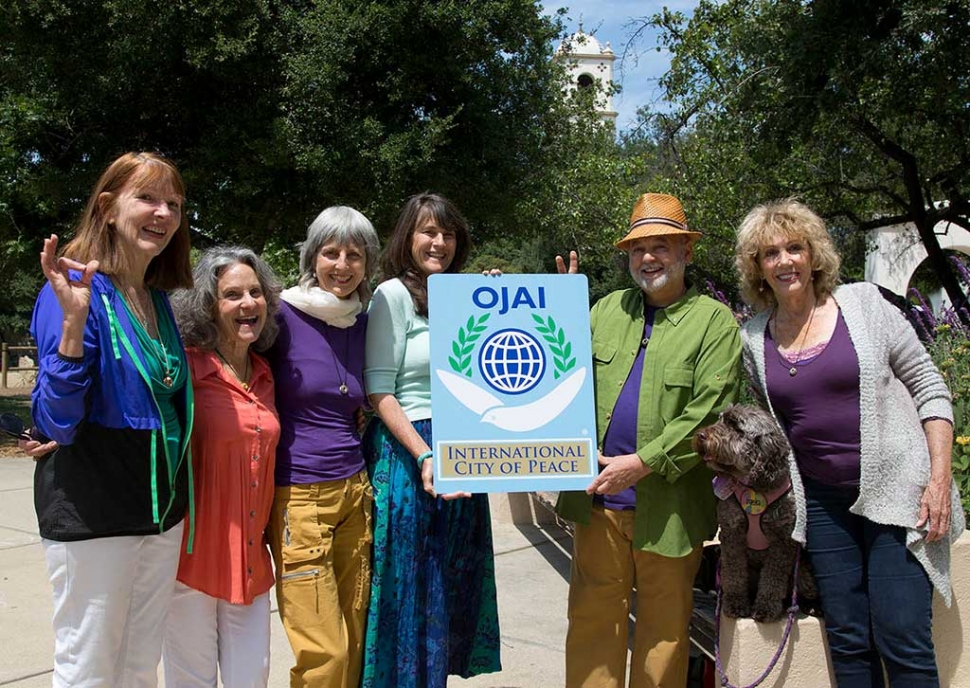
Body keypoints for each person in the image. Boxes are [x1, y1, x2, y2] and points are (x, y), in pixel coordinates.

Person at [734, 199, 965, 687]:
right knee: (847, 637)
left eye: (794, 248)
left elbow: (931, 387)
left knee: (902, 633)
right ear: (756, 267)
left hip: (898, 493)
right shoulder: (754, 338)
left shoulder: (864, 304)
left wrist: (939, 480)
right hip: (822, 506)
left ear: (813, 254)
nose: (784, 261)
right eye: (769, 253)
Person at [556, 192, 742, 688]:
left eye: (661, 245)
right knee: (592, 628)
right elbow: (552, 370)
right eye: (638, 249)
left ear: (686, 252)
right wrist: (552, 306)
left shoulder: (714, 321)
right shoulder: (603, 310)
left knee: (664, 638)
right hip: (597, 503)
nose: (648, 257)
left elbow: (710, 412)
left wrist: (640, 463)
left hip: (671, 509)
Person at [29, 151, 194, 687]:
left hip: (160, 512)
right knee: (90, 669)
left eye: (173, 203)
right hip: (93, 509)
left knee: (139, 668)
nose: (163, 213)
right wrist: (74, 328)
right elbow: (56, 420)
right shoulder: (73, 289)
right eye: (146, 198)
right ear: (106, 207)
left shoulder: (156, 298)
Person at [361, 192, 501, 688]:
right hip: (411, 452)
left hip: (464, 451)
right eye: (427, 231)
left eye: (447, 233)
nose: (438, 241)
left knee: (448, 583)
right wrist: (425, 454)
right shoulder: (392, 295)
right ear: (408, 237)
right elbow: (379, 389)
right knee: (411, 585)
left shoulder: (465, 296)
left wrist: (504, 304)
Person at [264, 206, 380, 688]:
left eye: (355, 254)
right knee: (324, 654)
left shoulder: (363, 321)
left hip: (356, 492)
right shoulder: (277, 316)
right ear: (312, 257)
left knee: (354, 638)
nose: (342, 264)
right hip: (300, 498)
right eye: (331, 252)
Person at [163, 247, 282, 687]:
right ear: (208, 306)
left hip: (251, 561)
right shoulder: (186, 369)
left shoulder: (269, 374)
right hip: (192, 562)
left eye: (255, 292)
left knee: (252, 677)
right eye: (232, 294)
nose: (247, 303)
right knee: (191, 680)